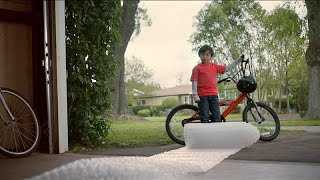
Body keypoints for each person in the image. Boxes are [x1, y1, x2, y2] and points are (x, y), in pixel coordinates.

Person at [190, 45, 241, 123]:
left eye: (207, 55)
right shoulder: (197, 68)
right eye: (202, 54)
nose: (205, 57)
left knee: (217, 117)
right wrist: (195, 95)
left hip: (214, 95)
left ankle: (215, 133)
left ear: (211, 56)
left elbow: (227, 68)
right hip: (202, 96)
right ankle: (205, 133)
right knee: (205, 117)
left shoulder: (214, 66)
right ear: (199, 55)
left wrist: (238, 61)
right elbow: (194, 82)